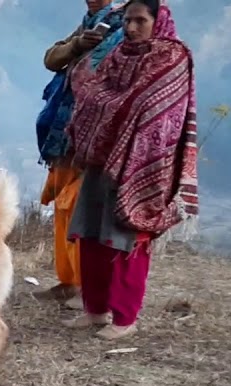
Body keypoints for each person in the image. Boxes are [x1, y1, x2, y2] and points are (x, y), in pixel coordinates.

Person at [64, 0, 197, 340]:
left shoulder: (173, 58)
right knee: (92, 233)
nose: (133, 28)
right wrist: (104, 104)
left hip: (145, 164)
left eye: (141, 20)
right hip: (102, 160)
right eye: (128, 20)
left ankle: (125, 318)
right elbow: (92, 93)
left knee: (127, 240)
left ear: (159, 20)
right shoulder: (118, 55)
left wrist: (104, 104)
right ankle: (95, 310)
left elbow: (144, 105)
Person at [34, 0, 126, 308]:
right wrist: (77, 44)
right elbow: (51, 58)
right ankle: (69, 280)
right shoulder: (90, 23)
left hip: (92, 135)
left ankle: (88, 284)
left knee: (79, 208)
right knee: (62, 207)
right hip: (64, 134)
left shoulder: (123, 23)